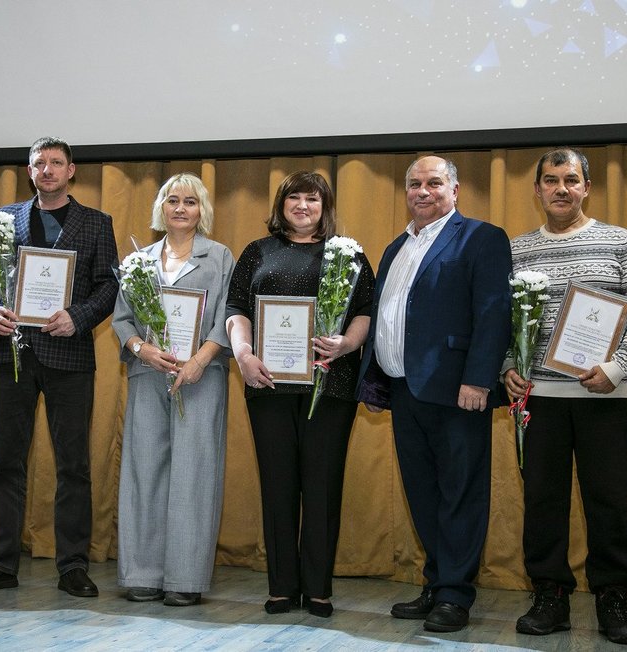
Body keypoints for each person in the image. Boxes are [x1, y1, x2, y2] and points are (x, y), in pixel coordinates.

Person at [504, 148, 627, 646]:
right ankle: (549, 596)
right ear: (537, 189)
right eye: (551, 180)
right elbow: (502, 321)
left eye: (571, 180)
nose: (561, 189)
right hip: (538, 397)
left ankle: (612, 598)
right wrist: (508, 366)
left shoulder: (619, 241)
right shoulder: (517, 249)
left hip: (608, 397)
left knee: (608, 501)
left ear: (586, 187)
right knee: (542, 500)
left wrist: (617, 367)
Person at [356, 155, 512, 632]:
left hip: (457, 390)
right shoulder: (395, 247)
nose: (423, 191)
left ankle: (455, 595)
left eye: (434, 183)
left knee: (460, 492)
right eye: (415, 184)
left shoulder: (482, 238)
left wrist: (479, 378)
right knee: (423, 493)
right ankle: (437, 582)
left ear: (455, 190)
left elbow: (494, 312)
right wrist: (375, 378)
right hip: (404, 389)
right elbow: (387, 317)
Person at [0, 137, 118, 597]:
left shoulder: (96, 223)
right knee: (6, 464)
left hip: (70, 357)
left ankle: (73, 567)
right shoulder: (4, 219)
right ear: (29, 171)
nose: (47, 170)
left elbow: (109, 286)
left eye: (56, 162)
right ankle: (0, 564)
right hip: (13, 354)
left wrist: (79, 317)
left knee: (74, 466)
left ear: (71, 171)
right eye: (39, 163)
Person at [226, 171, 374, 618]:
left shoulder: (348, 254)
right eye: (294, 198)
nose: (303, 206)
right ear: (281, 204)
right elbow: (236, 308)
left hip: (331, 385)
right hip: (268, 384)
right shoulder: (257, 251)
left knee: (322, 486)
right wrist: (243, 355)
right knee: (278, 486)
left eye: (313, 198)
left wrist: (346, 344)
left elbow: (365, 311)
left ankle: (318, 588)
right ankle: (282, 587)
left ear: (324, 206)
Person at [112, 173, 234, 607]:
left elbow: (228, 316)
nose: (181, 208)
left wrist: (200, 360)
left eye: (190, 201)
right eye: (172, 200)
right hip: (148, 375)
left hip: (202, 376)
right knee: (144, 471)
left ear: (202, 210)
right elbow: (122, 319)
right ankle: (143, 573)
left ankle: (185, 577)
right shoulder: (139, 260)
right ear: (160, 208)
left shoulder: (219, 257)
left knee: (194, 474)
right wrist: (141, 349)